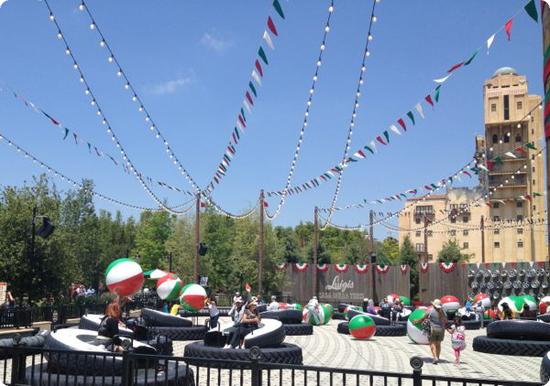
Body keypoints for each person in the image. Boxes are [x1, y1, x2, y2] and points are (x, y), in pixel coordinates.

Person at [419, 299, 448, 364]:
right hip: (441, 330)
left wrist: (417, 321)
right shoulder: (443, 312)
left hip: (433, 330)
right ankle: (438, 357)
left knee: (432, 344)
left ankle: (435, 357)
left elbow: (423, 318)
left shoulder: (431, 311)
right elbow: (446, 321)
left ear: (434, 306)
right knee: (438, 344)